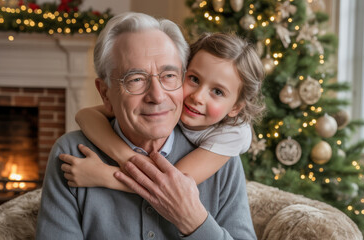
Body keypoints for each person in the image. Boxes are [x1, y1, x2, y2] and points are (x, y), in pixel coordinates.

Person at [36, 12, 258, 239]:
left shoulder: (222, 156)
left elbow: (169, 188)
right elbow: (86, 115)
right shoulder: (72, 155)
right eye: (136, 79)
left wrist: (194, 222)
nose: (157, 96)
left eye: (169, 75)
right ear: (105, 93)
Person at [58, 32, 266, 194]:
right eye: (194, 79)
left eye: (218, 92)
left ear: (235, 108)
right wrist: (124, 155)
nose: (198, 97)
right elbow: (85, 115)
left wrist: (104, 175)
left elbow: (169, 184)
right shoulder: (169, 106)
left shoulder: (234, 134)